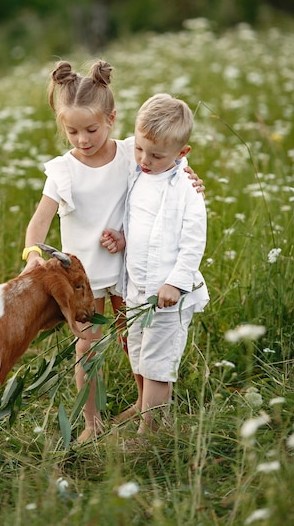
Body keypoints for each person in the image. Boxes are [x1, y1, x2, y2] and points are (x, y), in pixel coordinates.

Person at [22, 62, 204, 442]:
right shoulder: (63, 171)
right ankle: (92, 423)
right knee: (87, 349)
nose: (83, 139)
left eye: (91, 129)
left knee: (133, 340)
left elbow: (167, 163)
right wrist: (32, 253)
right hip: (82, 278)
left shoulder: (130, 153)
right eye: (71, 131)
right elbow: (40, 221)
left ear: (111, 119)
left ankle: (144, 406)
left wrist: (190, 177)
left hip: (126, 270)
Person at [100, 93, 209, 435]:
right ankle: (144, 408)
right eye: (140, 150)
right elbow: (142, 225)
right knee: (138, 351)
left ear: (182, 154)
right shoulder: (139, 176)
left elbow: (192, 244)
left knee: (158, 362)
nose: (144, 159)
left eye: (157, 155)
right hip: (138, 289)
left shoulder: (185, 190)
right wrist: (122, 239)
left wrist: (176, 283)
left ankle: (151, 431)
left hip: (167, 295)